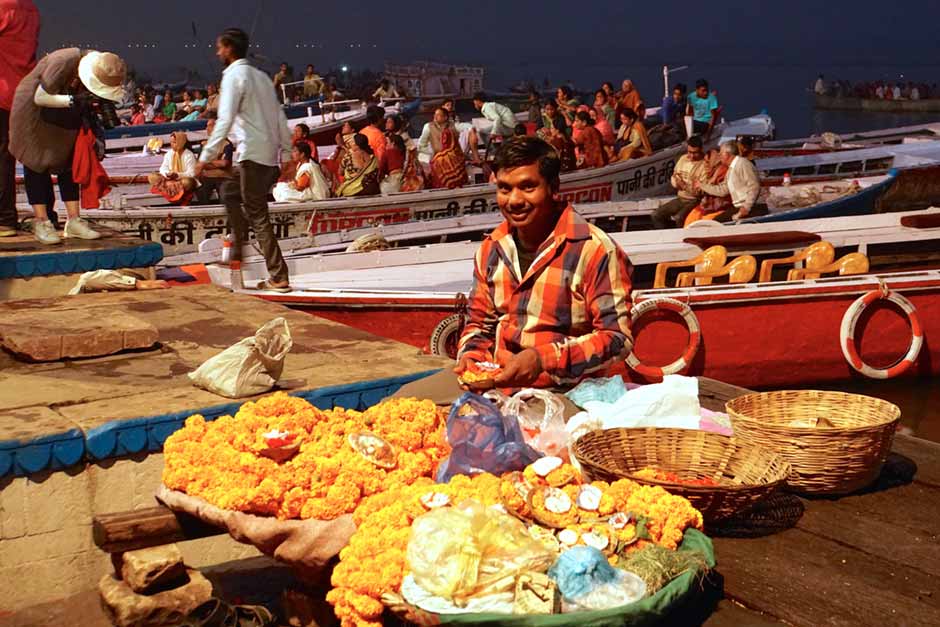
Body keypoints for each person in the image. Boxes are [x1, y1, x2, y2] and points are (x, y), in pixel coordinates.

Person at [454, 135, 633, 389]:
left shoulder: (595, 250)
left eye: (528, 187)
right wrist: (472, 358)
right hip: (500, 388)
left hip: (572, 393)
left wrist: (543, 359)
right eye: (505, 188)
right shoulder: (491, 249)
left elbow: (617, 339)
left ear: (553, 187)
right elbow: (478, 325)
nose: (514, 200)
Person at [195, 27, 293, 292]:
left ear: (228, 48)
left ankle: (278, 275)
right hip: (266, 156)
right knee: (228, 190)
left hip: (253, 156)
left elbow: (225, 120)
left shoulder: (233, 77)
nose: (217, 52)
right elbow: (279, 116)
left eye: (219, 47)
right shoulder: (260, 77)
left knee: (257, 214)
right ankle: (238, 253)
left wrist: (204, 157)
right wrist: (286, 153)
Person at [10, 47, 125, 244]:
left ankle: (74, 220)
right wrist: (76, 100)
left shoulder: (104, 65)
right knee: (36, 159)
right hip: (34, 113)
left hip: (64, 110)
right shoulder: (64, 61)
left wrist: (94, 102)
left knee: (69, 159)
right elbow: (40, 97)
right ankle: (41, 220)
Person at [0, 0, 38, 238]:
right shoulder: (31, 8)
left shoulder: (4, 7)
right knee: (9, 155)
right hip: (24, 91)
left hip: (2, 91)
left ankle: (4, 219)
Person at [694, 141, 763, 222]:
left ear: (727, 154)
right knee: (715, 221)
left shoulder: (743, 163)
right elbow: (723, 190)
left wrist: (746, 208)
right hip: (738, 207)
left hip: (751, 207)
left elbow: (754, 186)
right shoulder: (731, 169)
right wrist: (702, 186)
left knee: (717, 222)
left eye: (721, 153)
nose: (719, 156)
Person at [651, 135, 707, 229]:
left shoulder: (704, 164)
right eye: (690, 152)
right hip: (681, 197)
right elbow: (674, 175)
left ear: (701, 150)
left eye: (695, 153)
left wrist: (684, 186)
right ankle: (665, 237)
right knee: (656, 215)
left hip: (694, 200)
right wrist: (676, 183)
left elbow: (699, 191)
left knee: (679, 217)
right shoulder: (683, 159)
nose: (692, 156)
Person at [148, 131, 198, 203]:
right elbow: (163, 168)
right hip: (168, 179)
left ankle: (172, 188)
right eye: (171, 142)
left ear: (181, 142)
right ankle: (171, 186)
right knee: (152, 176)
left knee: (188, 182)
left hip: (181, 180)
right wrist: (167, 174)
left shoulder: (189, 155)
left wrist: (177, 175)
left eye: (174, 142)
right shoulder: (169, 153)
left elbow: (192, 173)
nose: (171, 145)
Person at [195, 111, 233, 204]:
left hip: (222, 176)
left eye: (210, 126)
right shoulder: (204, 144)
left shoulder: (226, 144)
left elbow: (224, 163)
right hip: (207, 176)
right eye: (207, 126)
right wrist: (216, 163)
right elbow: (200, 163)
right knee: (201, 192)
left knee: (225, 195)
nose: (207, 128)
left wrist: (207, 163)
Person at [335, 133, 380, 197]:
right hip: (371, 189)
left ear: (356, 145)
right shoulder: (373, 157)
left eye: (352, 142)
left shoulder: (348, 157)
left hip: (352, 190)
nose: (350, 143)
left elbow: (340, 172)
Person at [429, 124, 467, 189]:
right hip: (458, 191)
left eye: (444, 138)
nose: (443, 140)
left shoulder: (438, 158)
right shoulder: (460, 155)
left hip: (442, 192)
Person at [359, 104, 387, 175]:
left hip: (360, 167)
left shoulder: (361, 131)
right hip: (372, 169)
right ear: (379, 119)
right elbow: (381, 158)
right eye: (383, 117)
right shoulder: (380, 136)